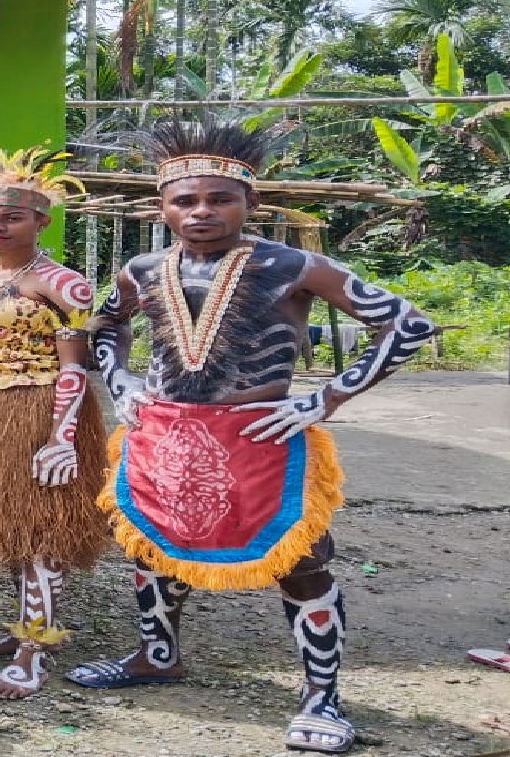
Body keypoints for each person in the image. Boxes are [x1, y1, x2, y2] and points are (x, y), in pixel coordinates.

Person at [65, 118, 436, 754]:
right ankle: (158, 656)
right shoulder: (143, 268)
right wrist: (119, 380)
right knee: (152, 548)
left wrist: (326, 398)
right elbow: (104, 325)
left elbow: (407, 324)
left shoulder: (297, 264)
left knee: (299, 561)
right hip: (163, 434)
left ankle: (322, 697)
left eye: (220, 198)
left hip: (261, 436)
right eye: (185, 200)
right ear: (163, 207)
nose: (201, 211)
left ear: (250, 203)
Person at [0, 146, 108, 699]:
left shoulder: (66, 284)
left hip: (36, 411)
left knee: (40, 531)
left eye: (11, 217)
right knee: (10, 526)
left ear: (41, 219)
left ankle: (33, 651)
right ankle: (28, 626)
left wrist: (60, 437)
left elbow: (74, 368)